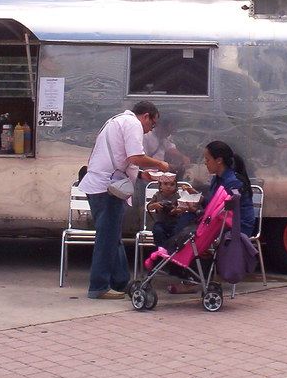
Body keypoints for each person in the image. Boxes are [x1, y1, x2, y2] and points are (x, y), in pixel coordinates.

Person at [80, 101, 169, 300]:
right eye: (152, 125)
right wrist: (159, 164)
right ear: (146, 116)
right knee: (107, 239)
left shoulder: (117, 121)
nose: (149, 131)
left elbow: (119, 159)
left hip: (99, 184)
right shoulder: (133, 124)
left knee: (112, 237)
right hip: (107, 189)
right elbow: (135, 157)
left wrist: (140, 175)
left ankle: (121, 282)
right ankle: (99, 286)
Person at [168, 140, 254, 294]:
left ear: (219, 160)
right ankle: (181, 267)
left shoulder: (232, 183)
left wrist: (199, 211)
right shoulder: (218, 179)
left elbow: (222, 212)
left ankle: (187, 275)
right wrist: (196, 200)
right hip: (220, 220)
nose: (205, 163)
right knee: (182, 222)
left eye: (207, 160)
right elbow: (212, 204)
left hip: (236, 225)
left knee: (192, 231)